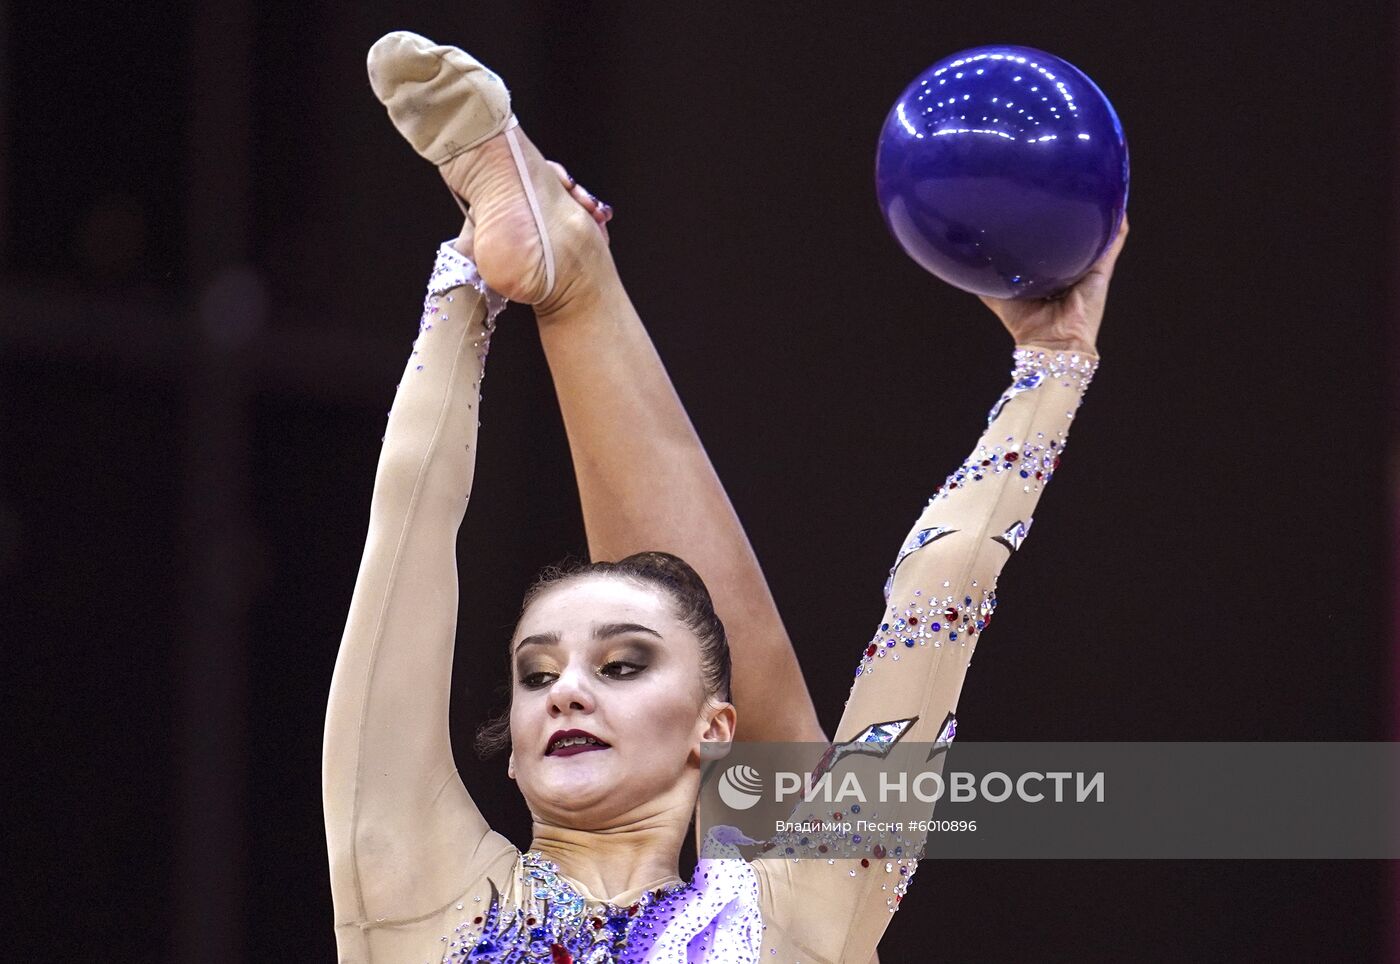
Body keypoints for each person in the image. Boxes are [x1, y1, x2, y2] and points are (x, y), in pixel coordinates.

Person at [322, 31, 1127, 963]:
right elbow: (405, 543)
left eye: (620, 666)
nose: (567, 691)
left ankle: (564, 263)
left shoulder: (802, 913)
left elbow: (935, 604)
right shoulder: (420, 898)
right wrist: (470, 282)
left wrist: (1054, 368)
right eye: (537, 675)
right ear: (509, 751)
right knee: (776, 789)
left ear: (714, 730)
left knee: (780, 796)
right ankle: (560, 258)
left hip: (752, 859)